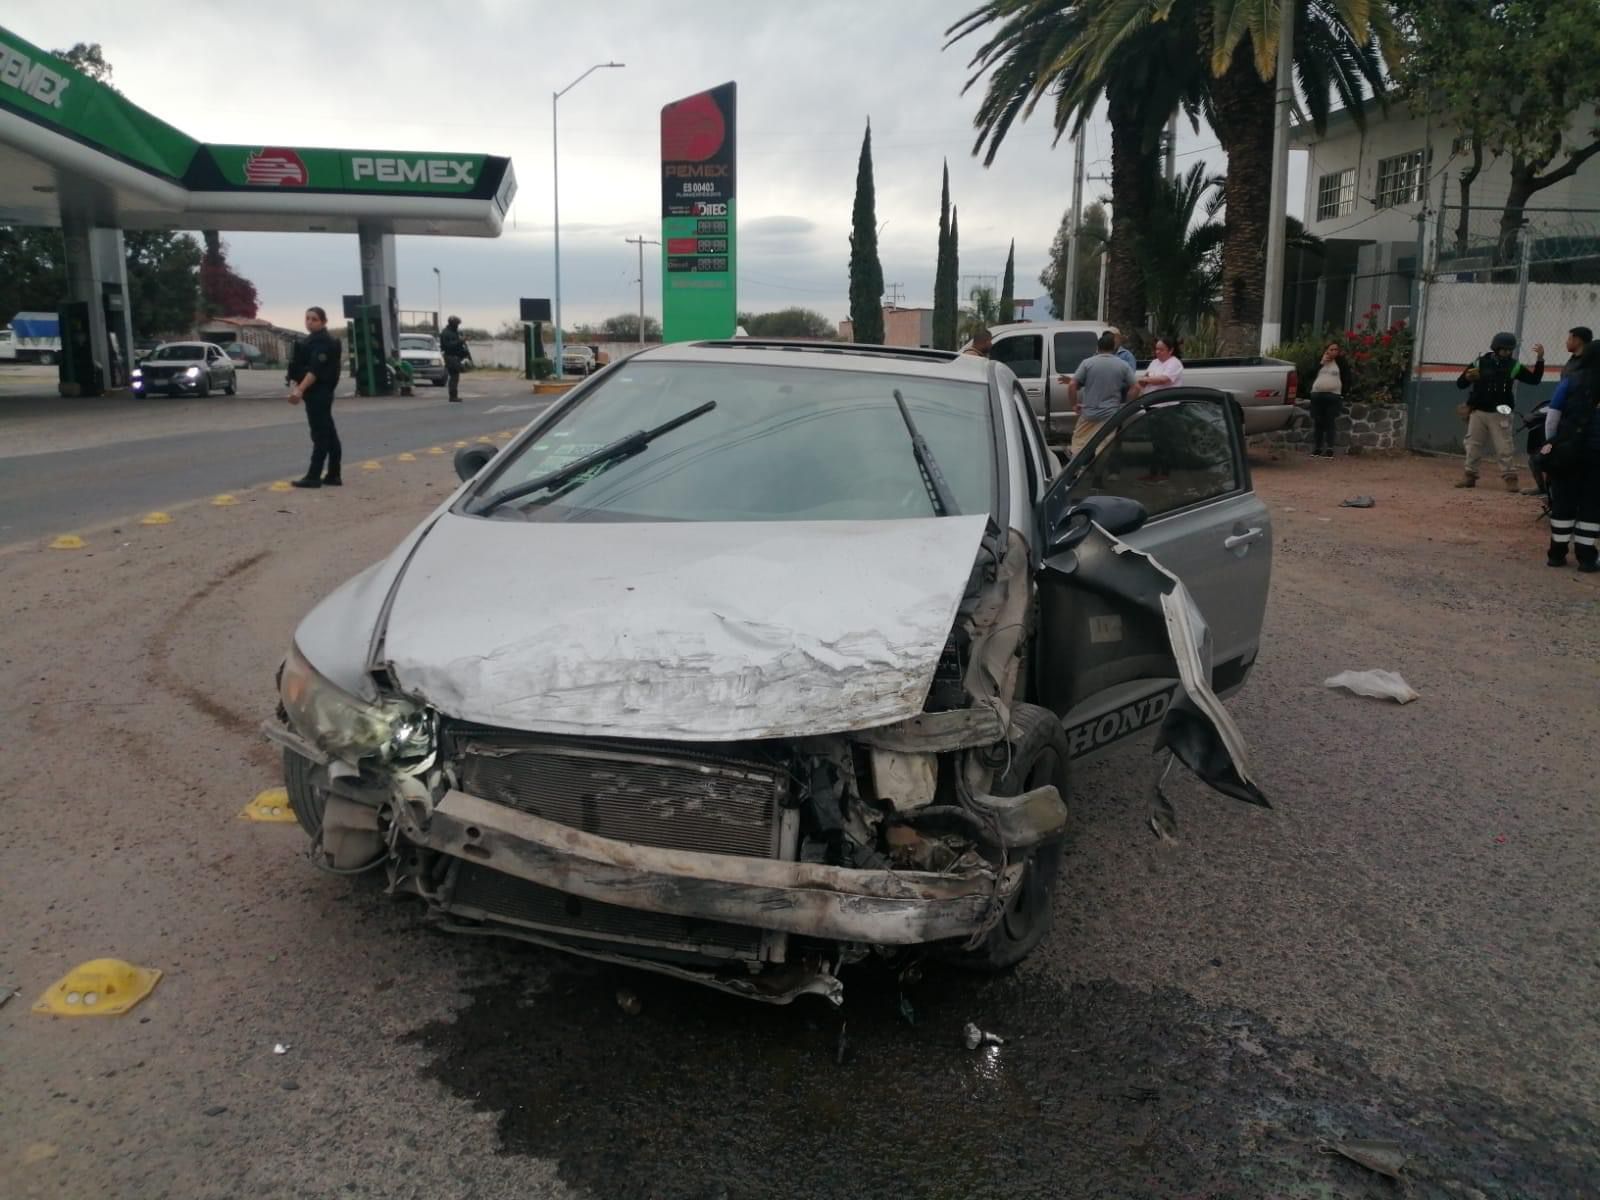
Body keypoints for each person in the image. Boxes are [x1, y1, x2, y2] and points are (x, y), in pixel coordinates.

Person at [1454, 331, 1544, 491]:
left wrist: (1540, 360)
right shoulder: (1480, 362)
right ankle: (1470, 476)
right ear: (1495, 348)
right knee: (1473, 445)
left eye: (1510, 350)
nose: (1507, 353)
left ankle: (1510, 478)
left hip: (1501, 412)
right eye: (1504, 349)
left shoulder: (1513, 366)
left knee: (1504, 447)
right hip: (1478, 411)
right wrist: (1467, 378)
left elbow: (1534, 380)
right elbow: (1460, 384)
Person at [1540, 339, 1600, 571]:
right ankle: (1586, 558)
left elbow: (1552, 416)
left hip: (1568, 451)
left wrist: (1553, 443)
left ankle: (1556, 554)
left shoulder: (1571, 380)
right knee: (1591, 505)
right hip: (1596, 454)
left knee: (1563, 501)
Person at [1525, 327, 1591, 496]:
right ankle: (1549, 489)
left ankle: (1556, 493)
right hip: (1571, 420)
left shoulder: (1582, 367)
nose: (1566, 342)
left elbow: (1560, 400)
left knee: (1548, 456)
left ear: (1577, 340)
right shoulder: (1573, 362)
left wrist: (1551, 439)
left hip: (1576, 423)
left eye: (1569, 338)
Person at [286, 306, 342, 488]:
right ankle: (333, 474)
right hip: (317, 393)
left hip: (319, 393)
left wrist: (299, 390)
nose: (309, 322)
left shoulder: (323, 342)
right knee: (329, 433)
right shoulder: (312, 340)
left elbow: (314, 371)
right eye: (307, 318)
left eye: (314, 319)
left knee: (320, 435)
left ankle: (314, 476)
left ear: (324, 322)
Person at [1067, 330, 1139, 455]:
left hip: (1089, 413)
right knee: (1104, 449)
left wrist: (1074, 404)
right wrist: (1127, 405)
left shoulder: (1087, 363)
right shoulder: (1123, 365)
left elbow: (1072, 385)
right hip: (1110, 415)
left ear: (1098, 347)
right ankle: (1100, 467)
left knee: (1079, 446)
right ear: (1114, 347)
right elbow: (1136, 387)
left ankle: (1079, 465)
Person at [1308, 342, 1353, 458]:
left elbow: (1347, 377)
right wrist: (1321, 363)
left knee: (1330, 422)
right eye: (1331, 349)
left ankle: (1329, 448)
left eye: (1336, 349)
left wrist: (1343, 393)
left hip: (1333, 396)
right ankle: (1317, 448)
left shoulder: (1341, 362)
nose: (1334, 351)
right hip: (1317, 394)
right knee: (1318, 422)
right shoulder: (1319, 360)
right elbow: (1310, 374)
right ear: (1326, 350)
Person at [440, 315, 473, 402]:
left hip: (455, 356)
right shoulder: (446, 333)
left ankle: (453, 396)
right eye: (457, 323)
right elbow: (448, 345)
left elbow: (458, 345)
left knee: (455, 376)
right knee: (454, 376)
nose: (458, 325)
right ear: (452, 323)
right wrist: (461, 341)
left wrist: (465, 353)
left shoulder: (455, 332)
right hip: (450, 356)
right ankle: (453, 396)